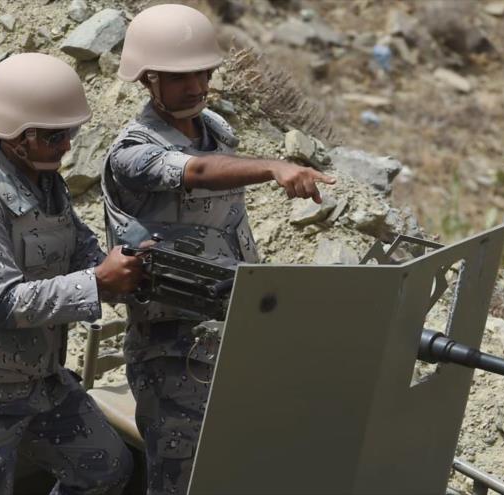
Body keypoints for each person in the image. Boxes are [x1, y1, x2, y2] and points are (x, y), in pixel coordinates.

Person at [101, 4, 335, 493]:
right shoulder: (132, 152)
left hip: (236, 332)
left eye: (203, 72)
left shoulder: (217, 129)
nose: (196, 85)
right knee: (181, 480)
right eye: (181, 76)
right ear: (148, 79)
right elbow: (198, 172)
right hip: (171, 347)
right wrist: (274, 167)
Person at [0, 53, 143, 495]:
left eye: (70, 133)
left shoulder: (45, 182)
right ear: (17, 137)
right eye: (56, 136)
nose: (68, 146)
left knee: (106, 470)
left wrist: (130, 268)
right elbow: (1, 303)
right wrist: (98, 282)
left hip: (34, 380)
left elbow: (82, 251)